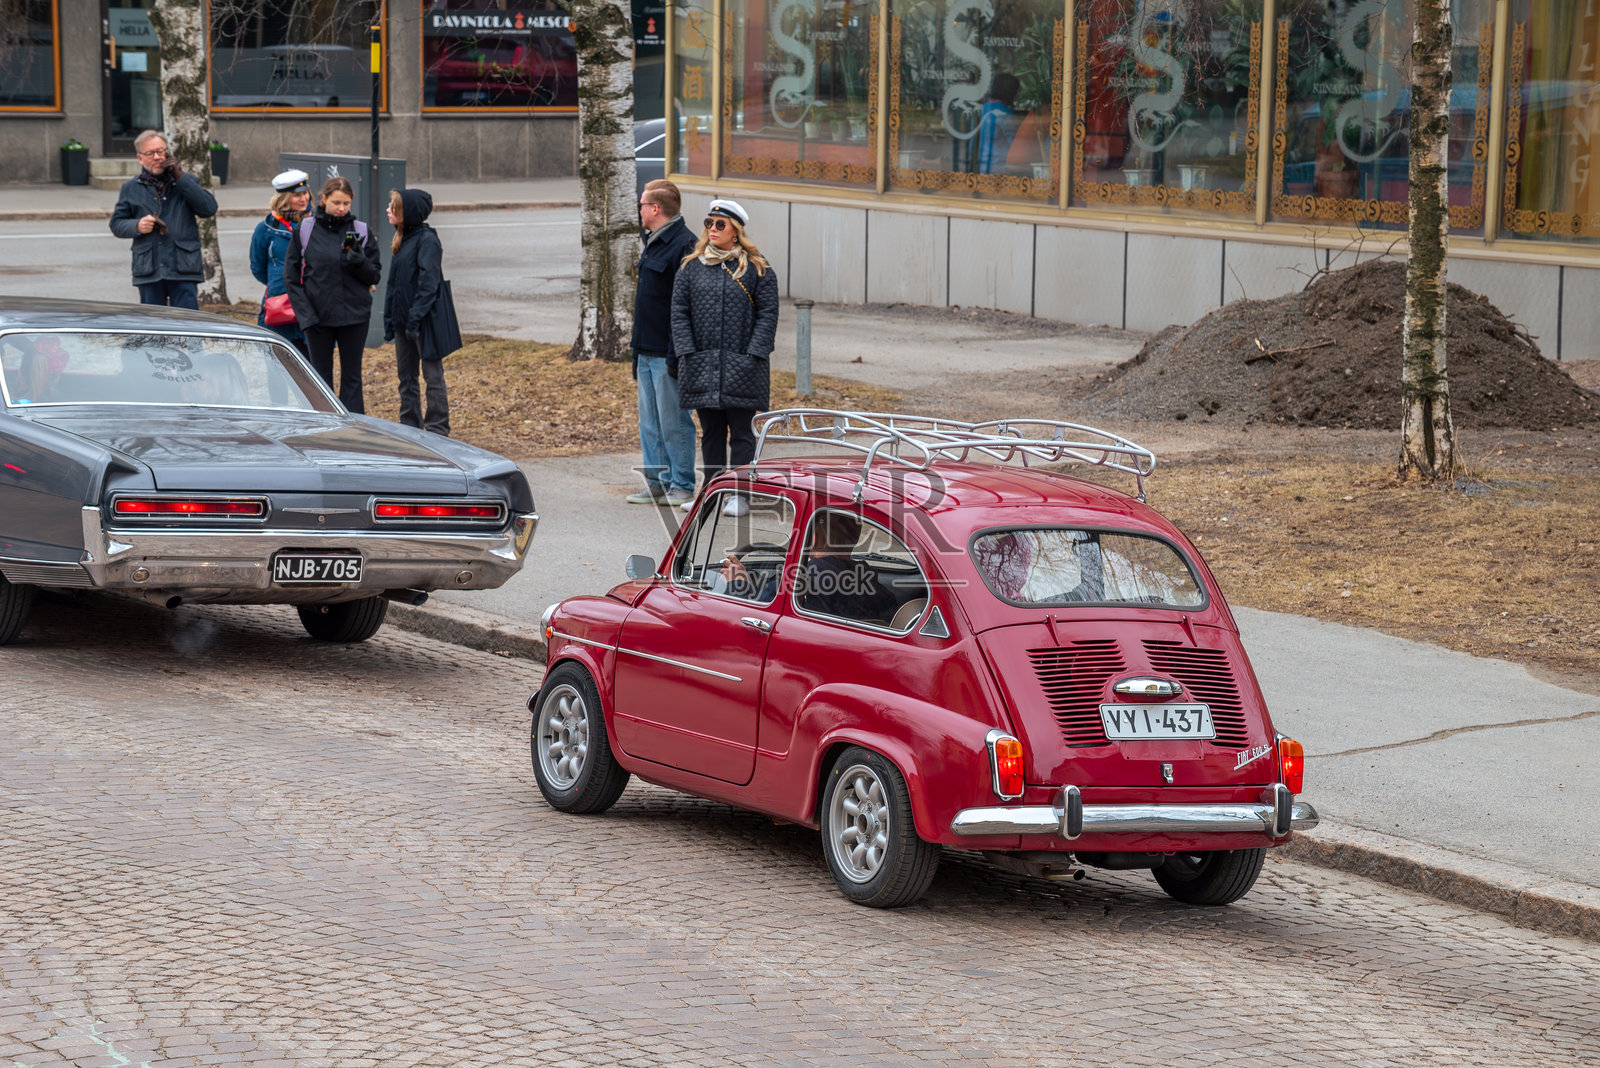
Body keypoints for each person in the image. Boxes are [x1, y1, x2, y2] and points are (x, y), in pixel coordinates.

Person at [670, 198, 780, 515]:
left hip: (743, 364)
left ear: (736, 231)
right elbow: (679, 313)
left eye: (721, 224)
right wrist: (687, 351)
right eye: (709, 223)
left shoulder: (757, 268)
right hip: (701, 363)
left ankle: (740, 495)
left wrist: (753, 354)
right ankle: (712, 492)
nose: (713, 229)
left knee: (742, 432)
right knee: (712, 433)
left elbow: (768, 315)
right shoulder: (691, 267)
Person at [626, 179, 699, 507]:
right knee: (649, 422)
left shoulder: (683, 244)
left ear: (655, 209)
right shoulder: (655, 241)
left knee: (673, 421)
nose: (639, 210)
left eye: (642, 204)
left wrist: (676, 354)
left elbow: (685, 306)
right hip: (646, 349)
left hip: (667, 353)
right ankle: (656, 480)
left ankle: (681, 482)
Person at [284, 176, 381, 413]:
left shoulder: (360, 230)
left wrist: (360, 262)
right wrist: (306, 315)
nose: (341, 209)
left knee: (352, 378)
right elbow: (291, 276)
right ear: (324, 199)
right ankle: (324, 426)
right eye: (337, 202)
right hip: (318, 319)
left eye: (346, 203)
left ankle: (355, 428)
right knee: (320, 378)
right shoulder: (306, 230)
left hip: (354, 317)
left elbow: (374, 276)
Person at [108, 130, 219, 309]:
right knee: (153, 326)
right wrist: (137, 225)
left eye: (161, 151)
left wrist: (180, 177)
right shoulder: (130, 187)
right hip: (149, 268)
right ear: (140, 158)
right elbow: (117, 224)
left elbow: (208, 209)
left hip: (183, 267)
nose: (158, 157)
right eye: (150, 153)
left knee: (186, 324)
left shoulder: (186, 181)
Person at [383, 188, 450, 436]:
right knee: (406, 378)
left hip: (424, 322)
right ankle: (410, 426)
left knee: (432, 377)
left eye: (393, 206)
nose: (388, 209)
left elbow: (428, 283)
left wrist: (415, 319)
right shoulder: (403, 238)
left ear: (407, 212)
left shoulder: (427, 240)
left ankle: (437, 428)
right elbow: (394, 283)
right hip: (404, 322)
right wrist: (391, 319)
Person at [248, 169, 312, 358]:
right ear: (284, 198)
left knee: (311, 367)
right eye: (297, 195)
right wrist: (279, 283)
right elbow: (258, 268)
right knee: (278, 365)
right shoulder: (266, 229)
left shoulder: (316, 224)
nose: (304, 198)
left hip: (310, 306)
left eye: (305, 193)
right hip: (279, 307)